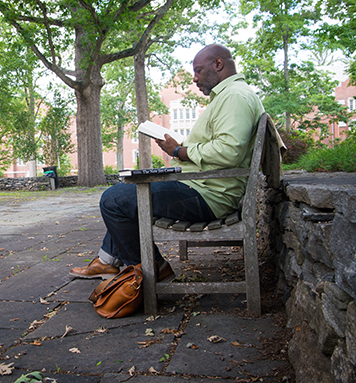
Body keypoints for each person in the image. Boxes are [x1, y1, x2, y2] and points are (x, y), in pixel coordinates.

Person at [70, 44, 265, 280]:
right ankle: (106, 261)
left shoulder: (234, 97)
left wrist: (181, 151)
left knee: (114, 200)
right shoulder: (230, 96)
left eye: (198, 71)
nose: (195, 78)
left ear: (218, 64)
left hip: (209, 195)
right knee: (128, 193)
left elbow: (230, 151)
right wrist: (177, 148)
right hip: (205, 187)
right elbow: (224, 147)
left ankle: (153, 271)